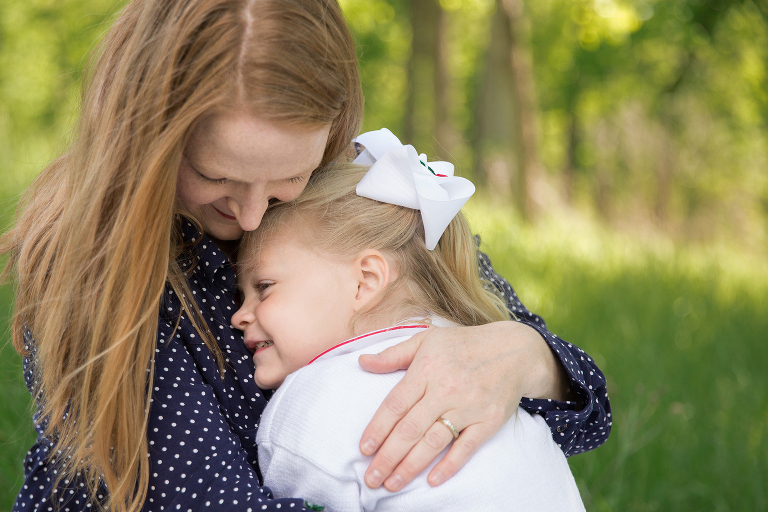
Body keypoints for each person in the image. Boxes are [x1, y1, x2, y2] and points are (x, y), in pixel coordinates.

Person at [0, 2, 610, 511]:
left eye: (286, 178)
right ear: (144, 137)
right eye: (216, 176)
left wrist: (516, 355)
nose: (250, 217)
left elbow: (586, 414)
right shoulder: (93, 269)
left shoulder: (351, 206)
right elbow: (207, 499)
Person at [231, 136, 587, 511]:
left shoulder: (306, 408)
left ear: (365, 281)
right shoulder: (487, 371)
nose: (240, 315)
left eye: (264, 287)